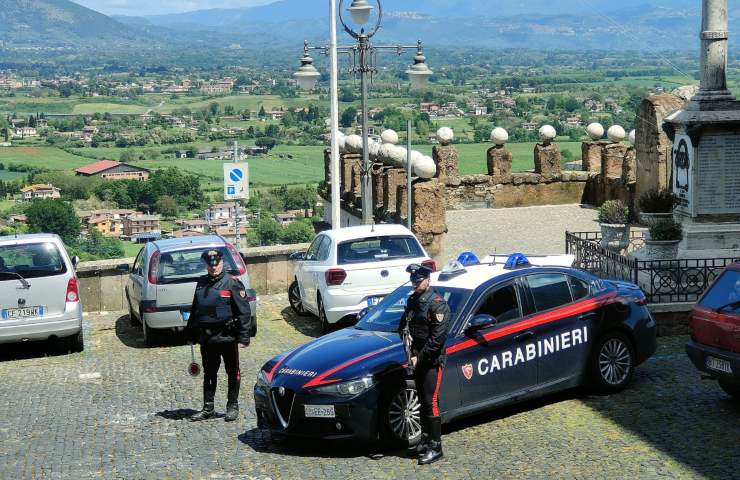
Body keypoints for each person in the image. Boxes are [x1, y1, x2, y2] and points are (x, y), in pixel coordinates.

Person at [186, 249, 253, 422]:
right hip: (207, 339)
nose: (214, 267)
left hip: (227, 337)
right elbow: (195, 310)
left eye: (217, 264)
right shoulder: (201, 283)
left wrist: (244, 337)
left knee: (232, 372)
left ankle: (232, 406)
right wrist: (191, 333)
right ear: (206, 265)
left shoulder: (232, 283)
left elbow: (244, 312)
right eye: (210, 265)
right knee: (209, 373)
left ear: (222, 263)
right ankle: (208, 408)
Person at [398, 264, 451, 465]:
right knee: (422, 400)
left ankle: (436, 446)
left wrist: (418, 358)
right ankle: (425, 440)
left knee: (431, 402)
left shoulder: (437, 304)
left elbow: (437, 340)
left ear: (428, 281)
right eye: (413, 280)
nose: (414, 283)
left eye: (418, 280)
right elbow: (404, 325)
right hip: (417, 357)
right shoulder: (413, 300)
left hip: (431, 361)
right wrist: (408, 347)